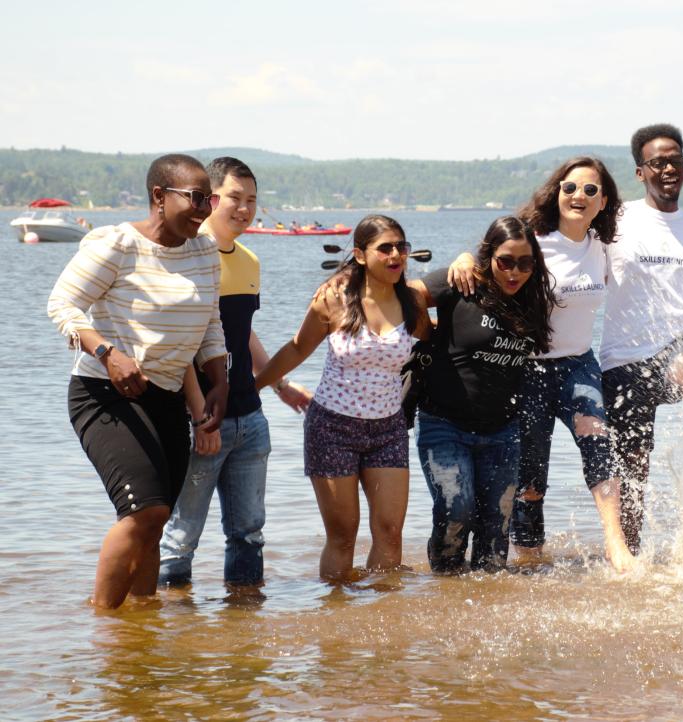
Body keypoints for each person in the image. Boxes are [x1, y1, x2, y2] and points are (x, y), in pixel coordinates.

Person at [47, 153, 228, 609]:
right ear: (159, 196)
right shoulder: (117, 245)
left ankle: (141, 626)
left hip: (166, 397)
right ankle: (105, 625)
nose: (205, 209)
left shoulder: (205, 251)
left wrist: (218, 381)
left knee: (154, 521)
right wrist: (107, 354)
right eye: (195, 198)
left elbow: (210, 322)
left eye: (210, 199)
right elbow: (61, 305)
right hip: (105, 394)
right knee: (145, 510)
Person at [448, 158, 638, 570]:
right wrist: (463, 259)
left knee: (599, 444)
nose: (579, 197)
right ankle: (530, 558)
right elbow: (493, 253)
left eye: (590, 191)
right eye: (570, 188)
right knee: (532, 479)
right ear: (557, 191)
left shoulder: (604, 246)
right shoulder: (534, 241)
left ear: (603, 201)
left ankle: (615, 543)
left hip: (579, 365)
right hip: (528, 370)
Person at [158, 157, 312, 589]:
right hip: (201, 420)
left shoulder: (248, 261)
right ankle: (173, 638)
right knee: (180, 539)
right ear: (210, 199)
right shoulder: (186, 254)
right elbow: (182, 344)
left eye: (252, 201)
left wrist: (278, 384)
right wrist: (200, 417)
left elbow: (242, 333)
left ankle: (243, 632)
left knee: (248, 536)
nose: (244, 209)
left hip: (251, 419)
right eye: (234, 199)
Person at [255, 215, 426, 580]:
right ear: (361, 255)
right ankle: (336, 618)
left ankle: (381, 618)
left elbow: (442, 330)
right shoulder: (334, 299)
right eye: (386, 248)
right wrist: (253, 386)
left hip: (388, 429)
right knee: (343, 537)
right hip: (332, 427)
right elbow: (297, 348)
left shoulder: (412, 301)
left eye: (402, 247)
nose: (396, 255)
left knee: (390, 533)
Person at [600, 124, 683, 554]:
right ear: (641, 172)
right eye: (658, 162)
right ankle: (630, 555)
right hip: (623, 360)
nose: (668, 168)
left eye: (675, 160)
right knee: (634, 469)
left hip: (676, 349)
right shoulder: (614, 220)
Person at [409, 217, 554, 573]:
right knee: (455, 510)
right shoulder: (463, 283)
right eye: (506, 261)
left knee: (496, 527)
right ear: (489, 256)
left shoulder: (533, 301)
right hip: (444, 425)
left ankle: (486, 606)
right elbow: (408, 293)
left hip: (502, 432)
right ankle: (445, 589)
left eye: (525, 263)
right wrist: (426, 331)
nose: (514, 272)